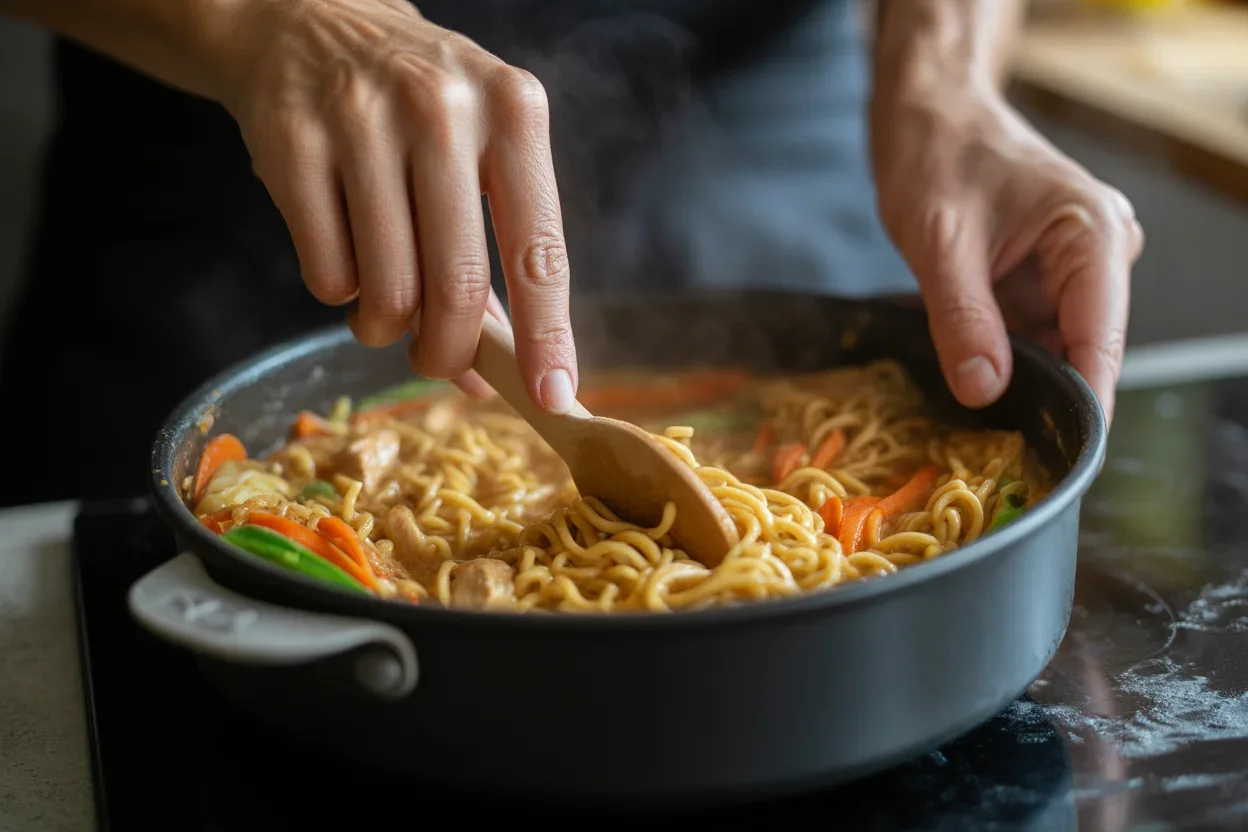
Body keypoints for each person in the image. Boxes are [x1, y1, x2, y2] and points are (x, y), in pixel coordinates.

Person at [0, 0, 1141, 507]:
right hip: (242, 110)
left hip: (760, 87)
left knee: (878, 391)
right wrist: (258, 16)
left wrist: (944, 74)